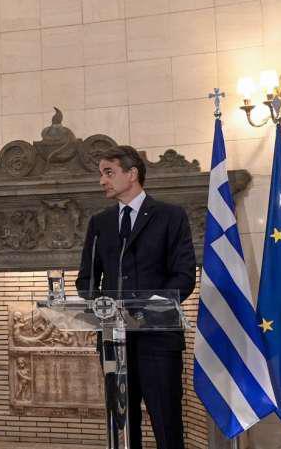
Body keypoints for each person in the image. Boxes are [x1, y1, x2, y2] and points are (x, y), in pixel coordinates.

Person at [75, 145, 196, 449]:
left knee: (166, 423)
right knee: (122, 425)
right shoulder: (99, 222)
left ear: (132, 174)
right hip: (114, 341)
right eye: (101, 173)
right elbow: (86, 279)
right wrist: (99, 306)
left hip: (158, 339)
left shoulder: (170, 216)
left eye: (108, 172)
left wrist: (143, 311)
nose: (102, 180)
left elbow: (183, 277)